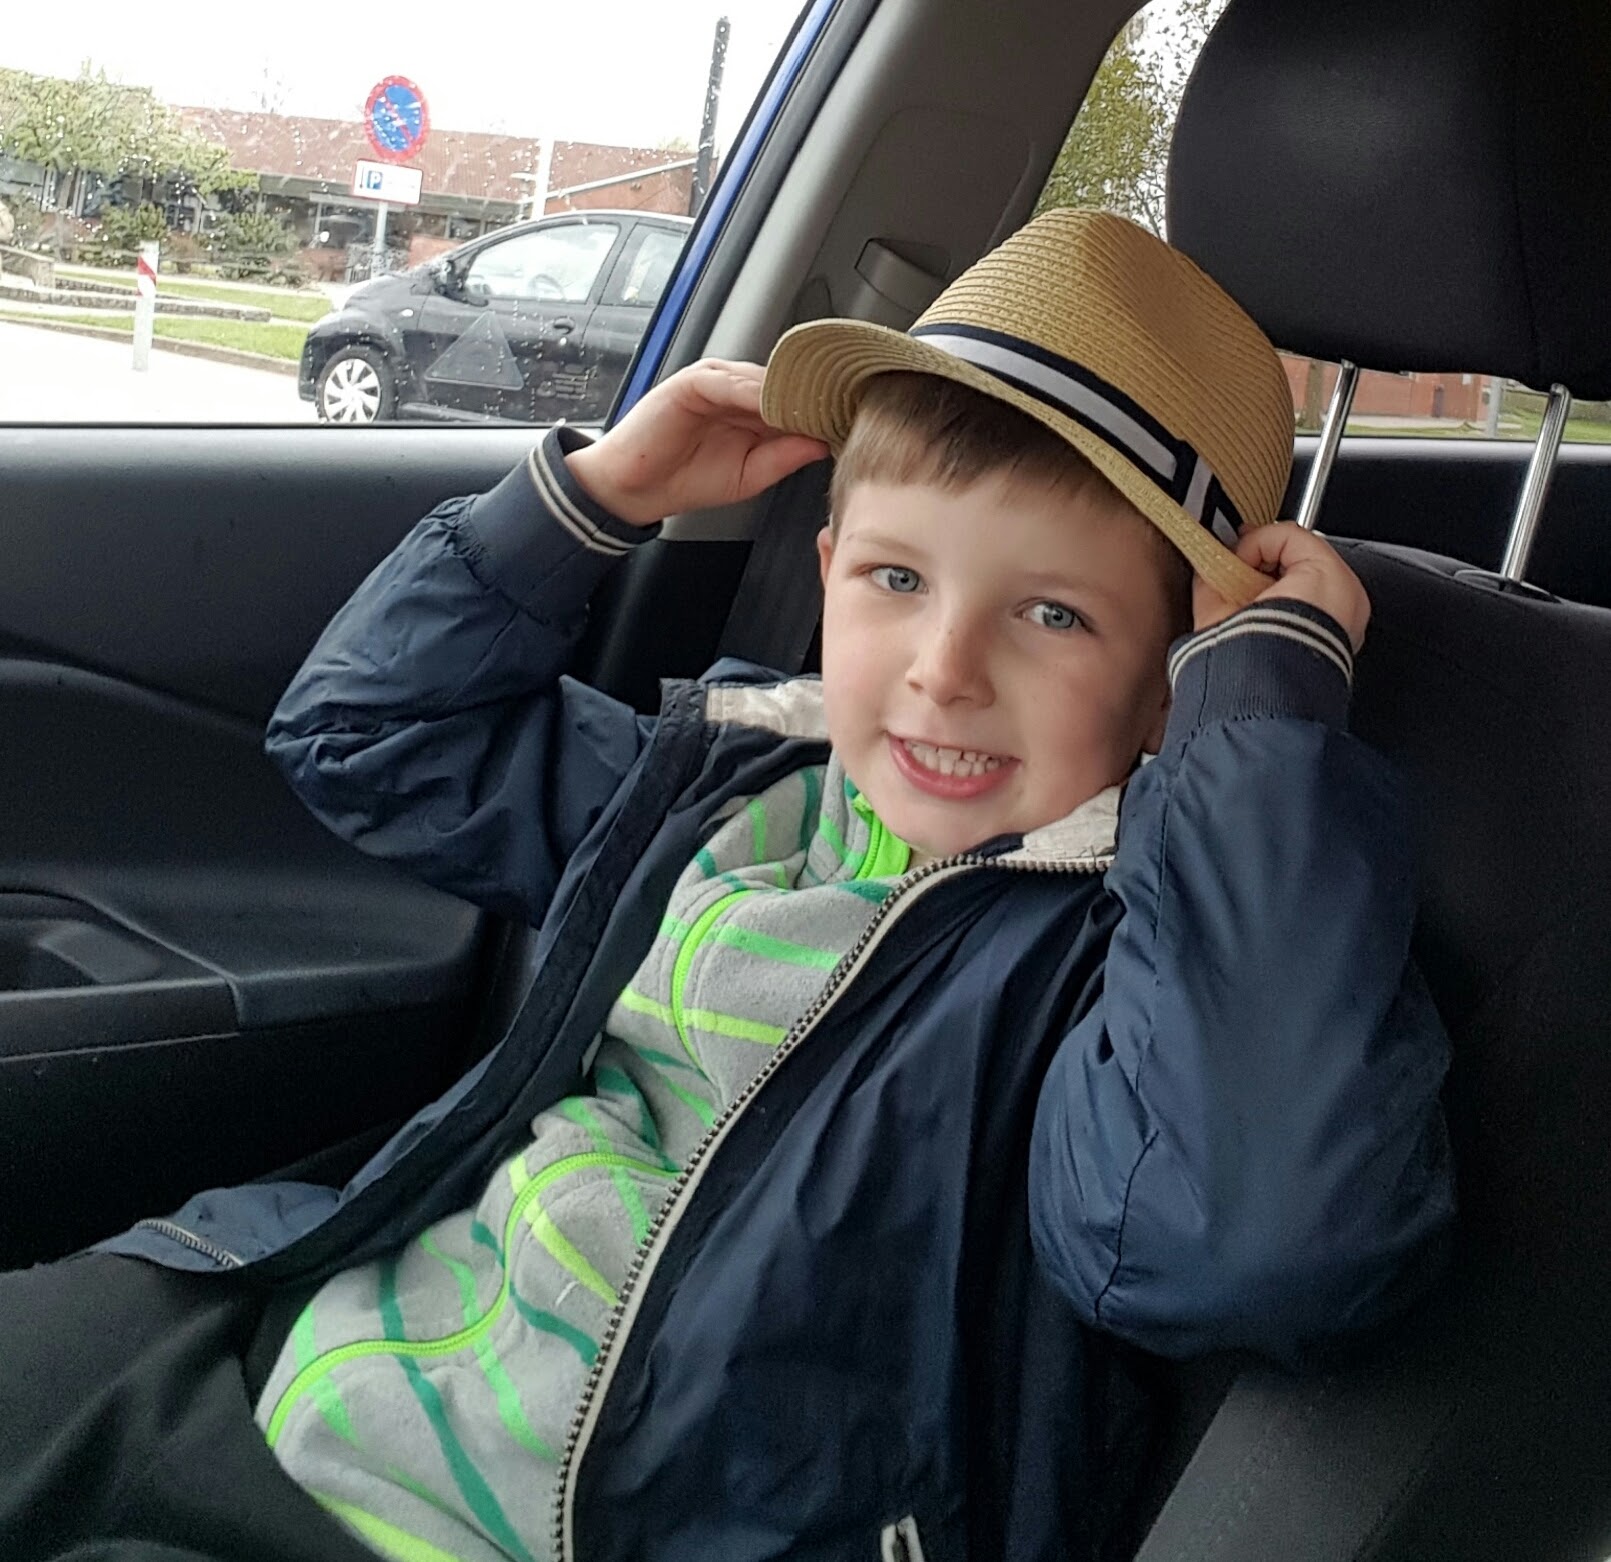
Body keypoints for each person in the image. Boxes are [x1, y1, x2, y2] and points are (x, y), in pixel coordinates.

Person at [0, 209, 1454, 1562]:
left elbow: (1248, 1236)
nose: (944, 670)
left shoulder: (1118, 967)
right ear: (825, 571)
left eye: (1054, 614)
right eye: (896, 581)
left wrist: (1261, 727)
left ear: (1172, 683)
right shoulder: (738, 787)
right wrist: (595, 495)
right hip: (308, 1354)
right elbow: (368, 736)